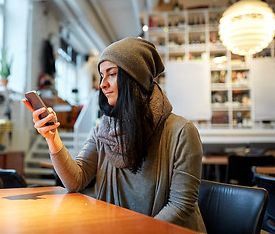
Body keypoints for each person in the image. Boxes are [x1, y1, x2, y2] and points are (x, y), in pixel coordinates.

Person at [23, 37, 206, 232]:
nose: (103, 84)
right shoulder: (105, 129)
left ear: (136, 79)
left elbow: (181, 207)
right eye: (102, 75)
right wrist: (52, 137)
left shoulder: (182, 132)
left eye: (112, 74)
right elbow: (76, 180)